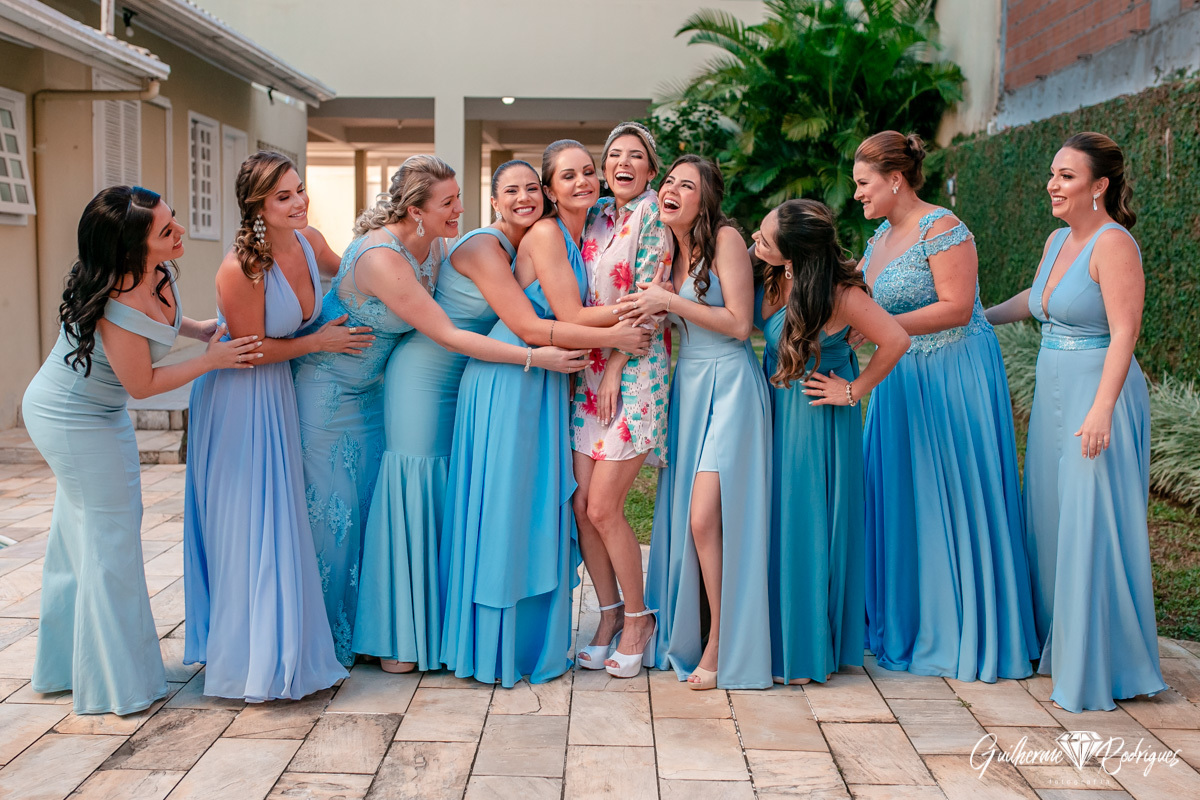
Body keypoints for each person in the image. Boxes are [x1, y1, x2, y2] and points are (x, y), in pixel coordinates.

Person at [293, 156, 584, 669]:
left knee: (399, 502)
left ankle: (416, 630)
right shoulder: (384, 256)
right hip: (371, 384)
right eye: (448, 203)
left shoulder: (440, 243)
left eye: (458, 199)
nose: (459, 209)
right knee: (368, 505)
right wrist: (536, 357)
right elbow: (447, 331)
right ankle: (385, 641)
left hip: (403, 383)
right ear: (415, 209)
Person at [23, 185, 261, 715]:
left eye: (174, 220)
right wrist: (214, 358)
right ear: (134, 246)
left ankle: (65, 667)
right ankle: (116, 684)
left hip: (100, 412)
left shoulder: (153, 273)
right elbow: (144, 384)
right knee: (111, 541)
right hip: (69, 417)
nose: (179, 233)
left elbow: (169, 327)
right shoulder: (114, 302)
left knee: (79, 537)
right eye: (166, 231)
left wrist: (206, 331)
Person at [440, 140, 641, 687]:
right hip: (515, 378)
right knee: (510, 507)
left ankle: (539, 637)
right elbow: (564, 315)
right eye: (564, 177)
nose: (581, 182)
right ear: (556, 192)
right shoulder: (550, 235)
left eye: (587, 172)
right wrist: (624, 328)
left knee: (539, 508)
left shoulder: (591, 233)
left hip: (548, 381)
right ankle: (501, 647)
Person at [985, 132, 1166, 712]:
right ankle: (1062, 645)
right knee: (1053, 515)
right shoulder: (1058, 239)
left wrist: (1102, 409)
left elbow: (1125, 331)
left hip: (1097, 393)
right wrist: (974, 318)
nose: (1053, 185)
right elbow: (1036, 300)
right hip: (1054, 390)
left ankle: (1102, 663)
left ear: (1100, 185)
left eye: (1066, 176)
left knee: (1092, 521)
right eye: (1053, 174)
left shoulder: (1115, 245)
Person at [854, 131, 1038, 682]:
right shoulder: (879, 238)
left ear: (895, 178)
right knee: (901, 495)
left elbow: (958, 308)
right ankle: (906, 616)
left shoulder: (945, 227)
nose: (857, 194)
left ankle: (962, 626)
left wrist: (879, 329)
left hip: (952, 373)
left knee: (949, 495)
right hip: (899, 377)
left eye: (863, 183)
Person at [184, 151, 368, 700]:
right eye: (283, 196)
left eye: (300, 190)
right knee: (253, 523)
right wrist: (319, 342)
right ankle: (253, 658)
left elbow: (353, 268)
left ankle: (291, 640)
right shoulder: (241, 268)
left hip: (286, 392)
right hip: (242, 399)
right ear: (256, 205)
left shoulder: (308, 241)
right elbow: (248, 350)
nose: (299, 202)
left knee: (285, 518)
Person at [616, 155, 771, 689]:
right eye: (671, 182)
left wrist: (667, 298)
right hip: (689, 385)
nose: (672, 190)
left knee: (705, 517)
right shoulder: (666, 251)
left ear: (706, 200)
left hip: (729, 383)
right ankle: (689, 626)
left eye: (688, 185)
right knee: (686, 518)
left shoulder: (725, 240)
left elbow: (739, 324)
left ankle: (721, 641)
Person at [750, 198, 909, 685]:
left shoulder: (841, 294)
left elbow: (896, 339)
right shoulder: (782, 276)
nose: (755, 244)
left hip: (817, 423)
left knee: (807, 524)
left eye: (763, 239)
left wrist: (854, 390)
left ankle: (804, 650)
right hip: (780, 416)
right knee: (780, 521)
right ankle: (781, 635)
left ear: (794, 250)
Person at [571, 122, 673, 671]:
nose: (623, 163)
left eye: (636, 156)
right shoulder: (596, 215)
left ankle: (639, 619)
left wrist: (613, 366)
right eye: (614, 155)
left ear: (651, 170)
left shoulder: (655, 214)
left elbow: (651, 299)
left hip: (633, 368)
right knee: (582, 507)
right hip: (587, 371)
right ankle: (607, 614)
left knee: (606, 505)